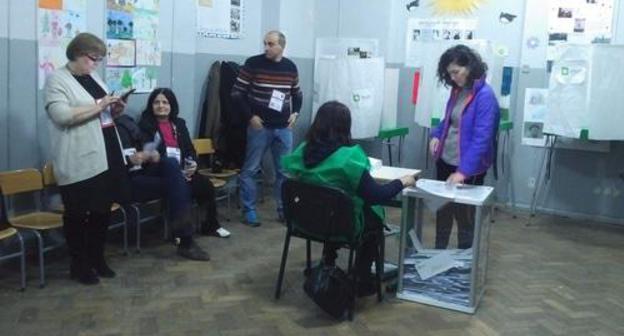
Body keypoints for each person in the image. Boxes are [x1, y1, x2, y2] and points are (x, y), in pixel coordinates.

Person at [282, 101, 416, 296]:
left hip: (306, 223)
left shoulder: (302, 151)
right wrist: (402, 182)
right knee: (373, 221)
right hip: (340, 225)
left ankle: (328, 261)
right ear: (345, 127)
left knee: (330, 206)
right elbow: (376, 196)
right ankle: (361, 278)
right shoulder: (348, 158)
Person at [44, 32, 128, 285]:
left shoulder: (92, 76)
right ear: (79, 54)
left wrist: (115, 108)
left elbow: (102, 108)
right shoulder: (57, 80)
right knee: (78, 213)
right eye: (94, 58)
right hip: (78, 156)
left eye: (100, 59)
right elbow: (62, 115)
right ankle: (79, 264)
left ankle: (97, 258)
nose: (97, 64)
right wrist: (101, 106)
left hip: (106, 150)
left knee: (102, 210)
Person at [429, 44, 500, 249]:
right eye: (449, 73)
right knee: (443, 212)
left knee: (464, 218)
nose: (453, 77)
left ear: (469, 67)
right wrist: (435, 136)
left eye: (456, 72)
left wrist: (463, 172)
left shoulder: (485, 96)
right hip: (446, 160)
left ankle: (463, 266)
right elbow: (447, 121)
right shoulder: (458, 91)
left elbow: (482, 139)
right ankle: (438, 256)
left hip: (468, 168)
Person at [115, 113, 211, 261]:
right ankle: (185, 239)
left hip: (141, 173)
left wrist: (151, 156)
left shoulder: (127, 122)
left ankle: (184, 237)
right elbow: (107, 166)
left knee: (172, 166)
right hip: (124, 183)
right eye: (114, 102)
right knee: (180, 183)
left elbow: (142, 154)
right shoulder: (101, 129)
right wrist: (128, 161)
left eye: (123, 101)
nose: (119, 104)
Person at [138, 88, 231, 240]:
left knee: (205, 185)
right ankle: (180, 233)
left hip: (184, 170)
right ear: (151, 105)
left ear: (171, 105)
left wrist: (192, 163)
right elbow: (150, 155)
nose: (161, 106)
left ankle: (211, 225)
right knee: (182, 190)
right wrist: (177, 174)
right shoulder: (145, 125)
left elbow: (189, 149)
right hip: (161, 172)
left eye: (165, 102)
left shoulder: (179, 124)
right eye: (156, 102)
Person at [231, 30, 303, 226]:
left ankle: (283, 209)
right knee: (251, 169)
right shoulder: (253, 63)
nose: (266, 47)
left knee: (284, 171)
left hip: (283, 129)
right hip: (260, 127)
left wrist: (295, 113)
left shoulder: (290, 67)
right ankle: (249, 211)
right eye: (265, 43)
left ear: (282, 46)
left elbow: (297, 94)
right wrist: (250, 116)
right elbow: (237, 93)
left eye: (271, 44)